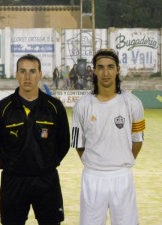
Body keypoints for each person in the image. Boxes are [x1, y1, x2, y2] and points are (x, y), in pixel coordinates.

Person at [0, 54, 70, 225]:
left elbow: (63, 143)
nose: (27, 77)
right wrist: (13, 165)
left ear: (40, 74)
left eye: (32, 71)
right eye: (23, 71)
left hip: (47, 180)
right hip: (13, 181)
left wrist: (47, 163)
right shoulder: (2, 108)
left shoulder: (55, 107)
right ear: (16, 74)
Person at [71, 48, 145, 225]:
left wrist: (120, 161)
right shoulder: (81, 106)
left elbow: (138, 141)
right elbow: (77, 144)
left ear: (117, 69)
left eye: (110, 67)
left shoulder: (133, 103)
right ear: (94, 70)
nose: (106, 72)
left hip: (122, 177)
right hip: (92, 177)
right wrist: (96, 163)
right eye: (101, 67)